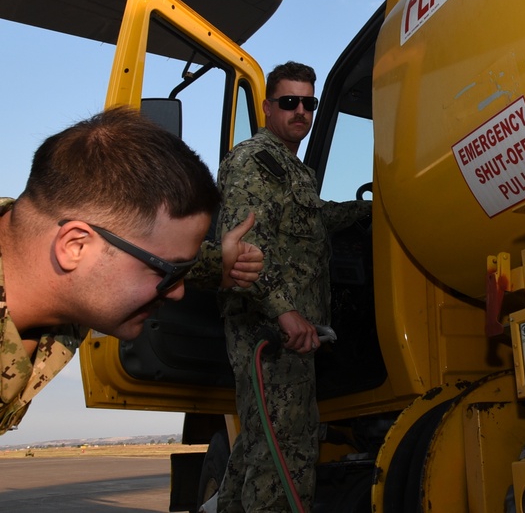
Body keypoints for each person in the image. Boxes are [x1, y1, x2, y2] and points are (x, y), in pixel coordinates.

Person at [0, 107, 264, 434]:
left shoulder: (66, 259)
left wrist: (222, 262)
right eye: (169, 272)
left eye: (184, 271)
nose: (178, 290)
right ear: (76, 246)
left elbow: (152, 254)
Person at [214, 61, 370, 513]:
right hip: (270, 332)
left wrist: (367, 210)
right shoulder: (252, 162)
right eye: (289, 102)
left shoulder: (291, 171)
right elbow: (242, 249)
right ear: (267, 108)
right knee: (286, 451)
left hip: (291, 332)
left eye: (308, 103)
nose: (300, 111)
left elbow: (314, 219)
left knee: (260, 446)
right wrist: (285, 311)